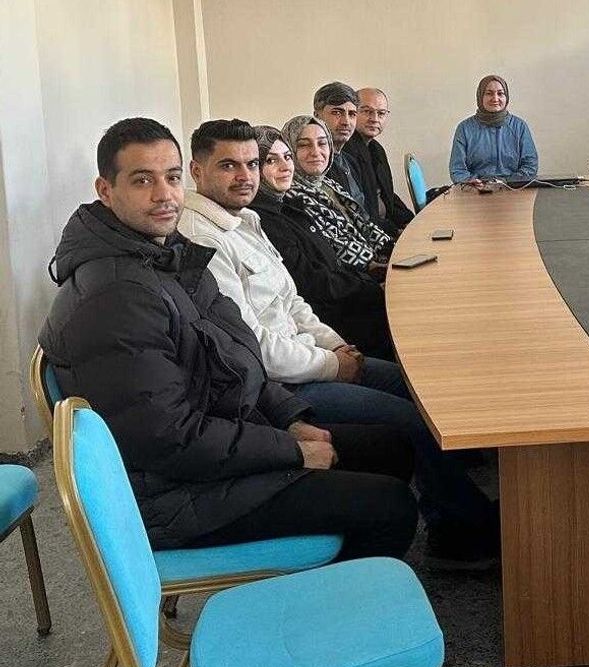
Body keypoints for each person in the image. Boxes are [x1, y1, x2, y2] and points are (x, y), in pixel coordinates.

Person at [38, 117, 417, 559]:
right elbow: (170, 439)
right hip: (176, 496)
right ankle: (316, 594)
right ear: (106, 190)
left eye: (171, 178)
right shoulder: (115, 298)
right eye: (143, 180)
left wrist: (290, 419)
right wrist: (291, 451)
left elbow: (238, 357)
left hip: (221, 439)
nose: (164, 195)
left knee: (391, 448)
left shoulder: (167, 254)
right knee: (391, 505)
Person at [180, 118, 500, 569]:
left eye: (251, 163)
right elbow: (254, 348)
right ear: (197, 170)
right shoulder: (202, 238)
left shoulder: (245, 221)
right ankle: (457, 535)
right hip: (283, 388)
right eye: (228, 165)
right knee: (413, 418)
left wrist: (337, 347)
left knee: (416, 384)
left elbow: (293, 302)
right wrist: (332, 365)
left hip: (310, 358)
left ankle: (461, 508)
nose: (245, 175)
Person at [250, 125, 395, 361]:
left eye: (287, 157)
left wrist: (372, 277)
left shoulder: (287, 206)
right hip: (337, 322)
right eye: (270, 160)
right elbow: (312, 283)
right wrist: (373, 287)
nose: (285, 166)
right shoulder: (265, 220)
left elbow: (330, 263)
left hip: (348, 302)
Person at [280, 114, 394, 276]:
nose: (316, 152)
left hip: (378, 262)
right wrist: (378, 267)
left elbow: (364, 224)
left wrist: (392, 246)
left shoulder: (328, 183)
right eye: (304, 145)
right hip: (358, 277)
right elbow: (334, 247)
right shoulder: (292, 198)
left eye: (322, 143)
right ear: (288, 151)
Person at [342, 87, 415, 235]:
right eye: (367, 111)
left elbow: (387, 196)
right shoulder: (346, 152)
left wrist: (409, 221)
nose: (374, 118)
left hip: (387, 227)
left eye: (381, 113)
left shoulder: (376, 149)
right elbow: (362, 210)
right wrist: (396, 231)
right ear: (352, 113)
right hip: (372, 235)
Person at [449, 75, 538, 184]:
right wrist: (473, 183)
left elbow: (530, 165)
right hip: (475, 190)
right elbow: (457, 170)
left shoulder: (519, 127)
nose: (495, 99)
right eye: (489, 93)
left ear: (506, 97)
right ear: (480, 96)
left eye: (500, 93)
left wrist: (507, 182)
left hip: (514, 188)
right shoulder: (464, 129)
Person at [313, 81, 370, 211]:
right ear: (317, 116)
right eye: (337, 113)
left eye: (352, 114)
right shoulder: (314, 164)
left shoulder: (351, 161)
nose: (346, 122)